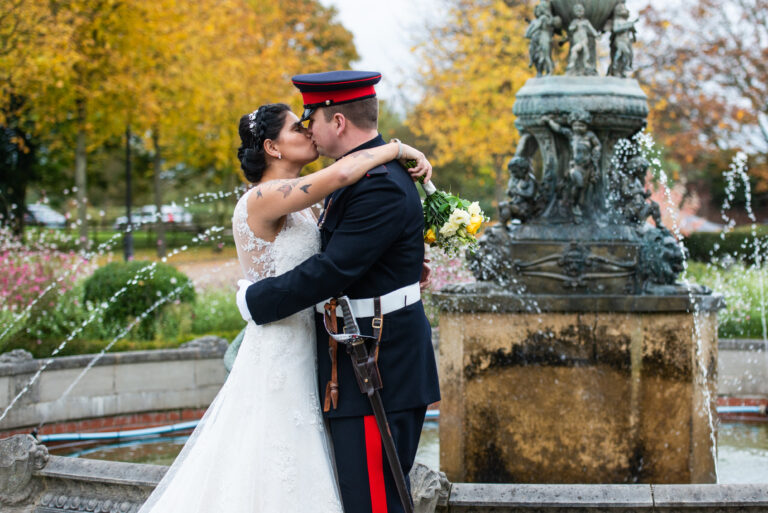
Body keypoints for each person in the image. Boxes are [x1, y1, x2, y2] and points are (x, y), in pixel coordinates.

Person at [137, 97, 433, 511]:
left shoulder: (309, 203)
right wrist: (398, 148)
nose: (308, 130)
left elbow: (345, 252)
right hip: (279, 348)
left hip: (315, 349)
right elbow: (343, 172)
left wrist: (401, 267)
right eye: (297, 127)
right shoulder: (263, 197)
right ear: (272, 148)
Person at [237, 70, 441, 513]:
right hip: (348, 363)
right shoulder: (350, 180)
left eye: (310, 120)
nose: (308, 129)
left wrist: (254, 300)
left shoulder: (376, 182)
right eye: (299, 125)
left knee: (373, 503)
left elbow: (333, 269)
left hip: (376, 367)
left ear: (339, 122)